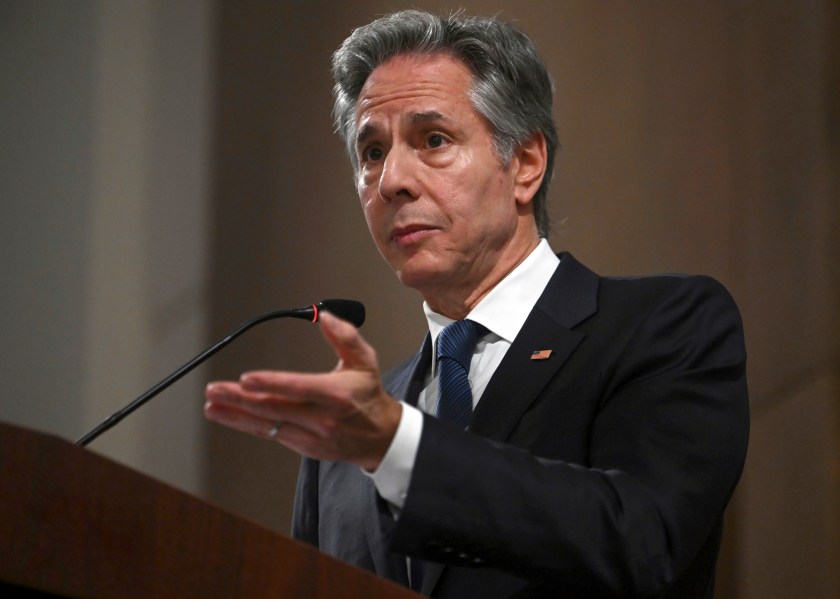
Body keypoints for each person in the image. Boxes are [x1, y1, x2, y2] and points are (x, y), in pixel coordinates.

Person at [204, 9, 749, 599]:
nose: (391, 181)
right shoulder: (341, 450)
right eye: (371, 152)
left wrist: (400, 449)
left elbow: (644, 539)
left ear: (525, 164)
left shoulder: (663, 325)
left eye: (433, 140)